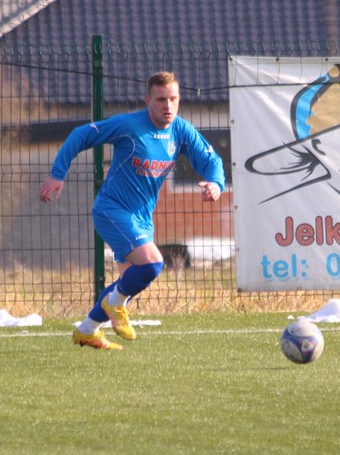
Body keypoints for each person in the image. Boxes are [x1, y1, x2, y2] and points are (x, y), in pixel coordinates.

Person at [39, 71, 225, 350]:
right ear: (147, 100)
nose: (168, 106)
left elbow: (212, 160)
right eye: (161, 99)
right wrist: (57, 173)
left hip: (141, 218)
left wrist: (216, 184)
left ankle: (87, 329)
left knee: (129, 280)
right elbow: (81, 135)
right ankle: (114, 305)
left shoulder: (181, 131)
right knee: (153, 264)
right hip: (111, 211)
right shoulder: (129, 126)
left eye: (173, 99)